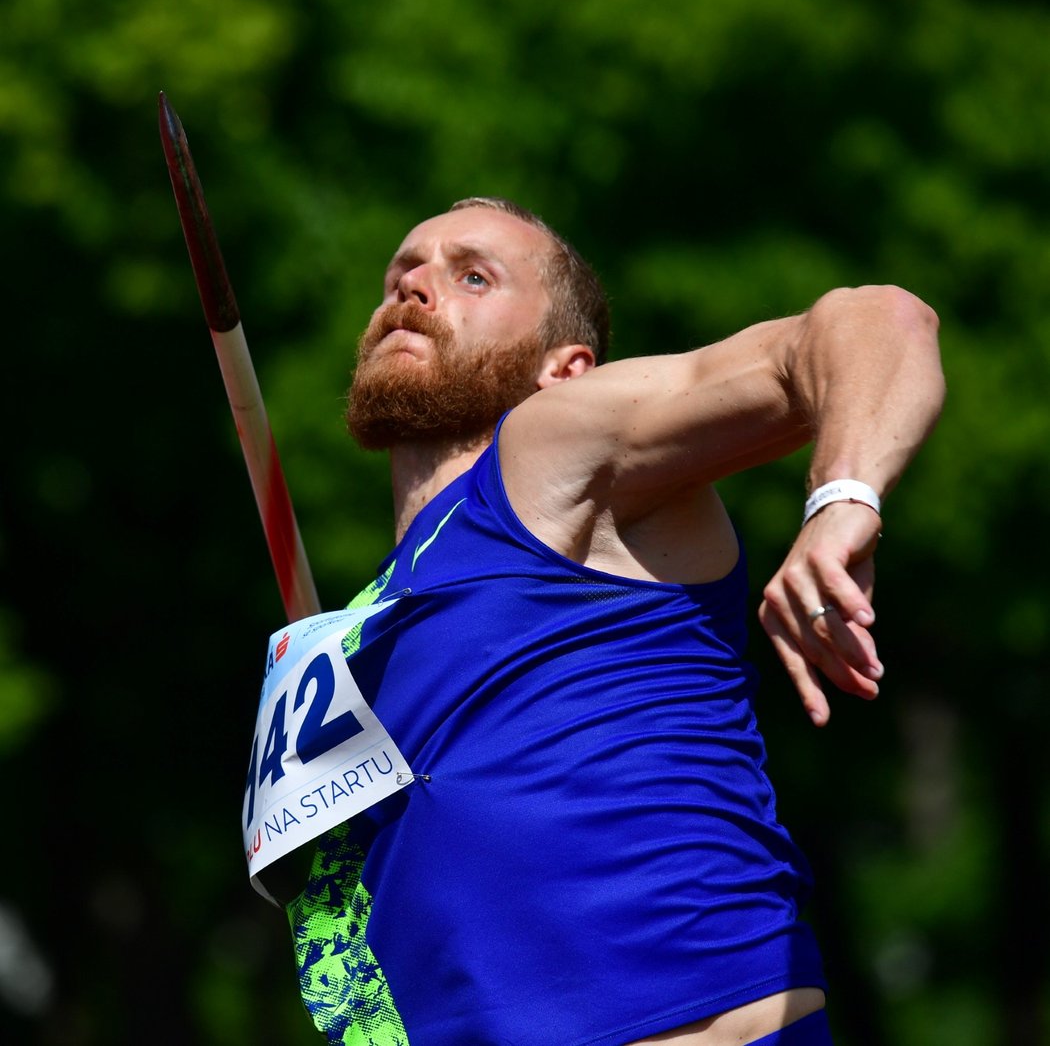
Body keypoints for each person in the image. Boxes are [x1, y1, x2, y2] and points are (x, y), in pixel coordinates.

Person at [281, 197, 944, 1046]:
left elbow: (878, 321)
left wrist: (842, 500)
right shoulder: (376, 614)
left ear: (567, 367)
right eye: (400, 276)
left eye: (470, 276)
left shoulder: (546, 450)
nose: (413, 290)